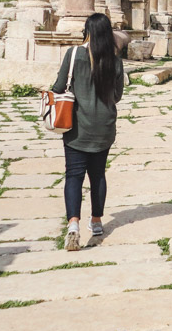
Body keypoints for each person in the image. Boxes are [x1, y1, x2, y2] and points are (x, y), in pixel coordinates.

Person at [52, 13, 125, 252]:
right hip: (104, 126)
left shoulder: (73, 54)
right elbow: (117, 95)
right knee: (98, 175)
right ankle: (96, 221)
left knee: (74, 175)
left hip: (77, 126)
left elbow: (59, 87)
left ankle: (73, 224)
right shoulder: (114, 60)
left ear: (87, 30)